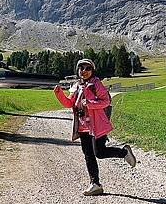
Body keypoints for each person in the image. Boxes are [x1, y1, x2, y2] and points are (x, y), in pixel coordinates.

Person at [54, 58, 136, 196]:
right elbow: (69, 103)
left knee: (100, 152)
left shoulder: (96, 84)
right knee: (88, 155)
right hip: (82, 126)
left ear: (92, 71)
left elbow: (106, 101)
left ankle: (124, 153)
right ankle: (95, 184)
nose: (84, 71)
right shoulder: (76, 86)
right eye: (81, 68)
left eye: (87, 68)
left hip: (97, 125)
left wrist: (89, 103)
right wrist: (59, 94)